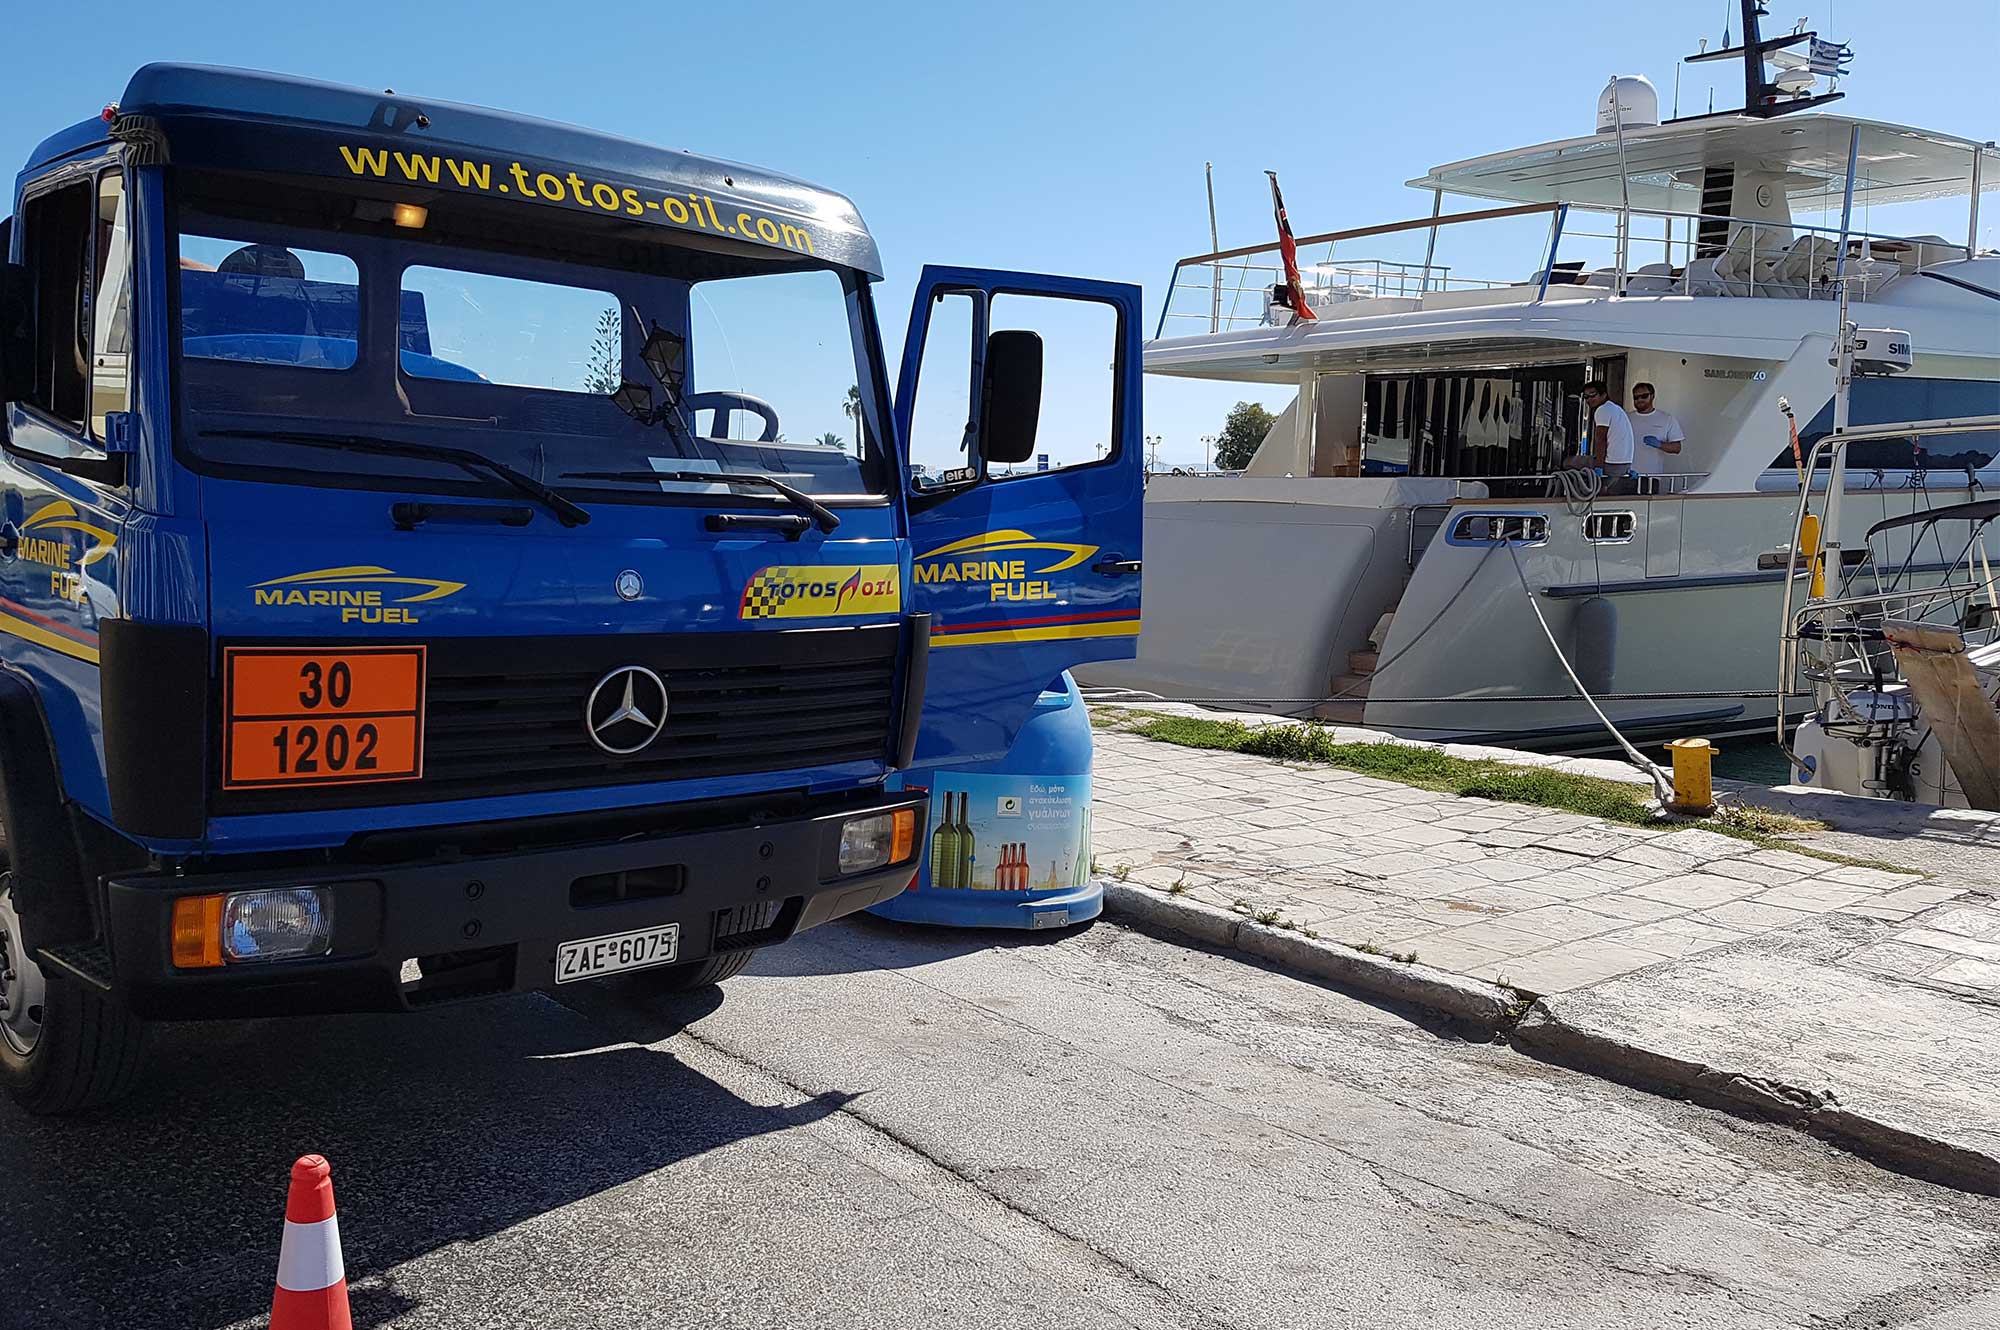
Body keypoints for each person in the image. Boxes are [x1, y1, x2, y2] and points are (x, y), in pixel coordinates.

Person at [1573, 380, 1634, 481]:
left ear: (1604, 395)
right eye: (1586, 397)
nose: (1589, 400)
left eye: (1593, 395)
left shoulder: (1602, 410)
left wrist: (1599, 467)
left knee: (1568, 462)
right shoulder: (1617, 409)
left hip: (1611, 465)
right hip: (1625, 465)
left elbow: (1601, 440)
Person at [1628, 382, 1686, 482]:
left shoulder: (1666, 419)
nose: (1640, 400)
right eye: (1636, 397)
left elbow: (1677, 448)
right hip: (1626, 475)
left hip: (1650, 476)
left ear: (1652, 396)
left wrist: (1659, 444)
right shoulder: (1626, 418)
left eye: (1644, 396)